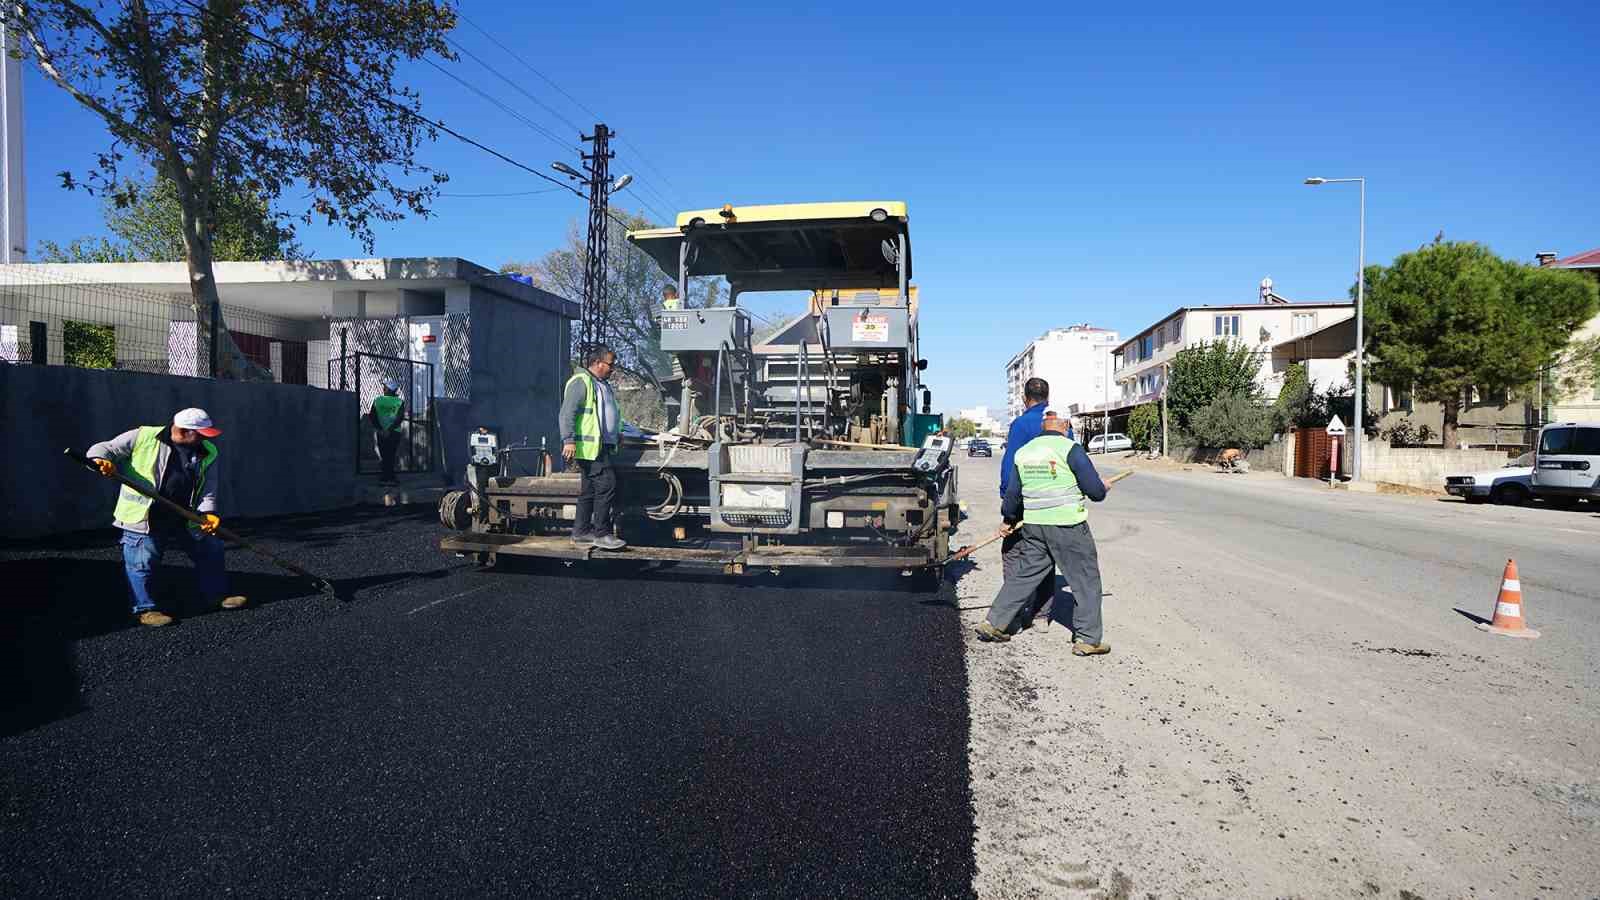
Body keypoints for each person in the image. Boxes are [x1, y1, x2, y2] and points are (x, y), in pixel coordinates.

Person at [86, 408, 247, 627]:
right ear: (182, 430)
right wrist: (98, 460)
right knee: (142, 563)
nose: (203, 439)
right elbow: (105, 448)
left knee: (211, 549)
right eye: (199, 433)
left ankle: (217, 596)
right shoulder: (143, 436)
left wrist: (208, 512)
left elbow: (208, 487)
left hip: (185, 514)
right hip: (144, 515)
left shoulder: (207, 451)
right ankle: (146, 609)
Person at [976, 410, 1112, 656]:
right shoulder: (1070, 449)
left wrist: (1008, 519)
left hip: (1034, 527)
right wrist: (1102, 486)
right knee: (1085, 579)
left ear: (1043, 425)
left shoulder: (1024, 452)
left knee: (1023, 576)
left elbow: (1013, 497)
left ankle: (994, 623)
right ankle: (1088, 639)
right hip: (1068, 527)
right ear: (1065, 425)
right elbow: (1095, 492)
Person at [999, 377, 1054, 626]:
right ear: (1048, 397)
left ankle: (1018, 609)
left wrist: (1008, 505)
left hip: (1025, 502)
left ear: (1025, 398)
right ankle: (1042, 615)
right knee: (1045, 554)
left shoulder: (1021, 424)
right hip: (1055, 502)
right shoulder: (1060, 423)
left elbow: (1011, 466)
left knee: (1013, 553)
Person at [560, 345, 627, 551]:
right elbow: (567, 413)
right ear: (598, 363)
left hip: (601, 446)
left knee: (588, 491)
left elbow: (609, 413)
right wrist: (568, 440)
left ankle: (580, 532)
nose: (612, 368)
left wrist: (618, 432)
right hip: (590, 448)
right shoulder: (582, 382)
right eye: (610, 364)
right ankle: (602, 533)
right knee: (607, 485)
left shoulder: (602, 384)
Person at [370, 378, 405, 485]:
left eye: (385, 387)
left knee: (384, 454)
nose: (383, 388)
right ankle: (391, 477)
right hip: (394, 432)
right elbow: (400, 418)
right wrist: (389, 430)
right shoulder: (399, 402)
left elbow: (372, 416)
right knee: (391, 454)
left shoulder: (378, 400)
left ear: (389, 389)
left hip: (381, 432)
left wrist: (381, 429)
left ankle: (384, 478)